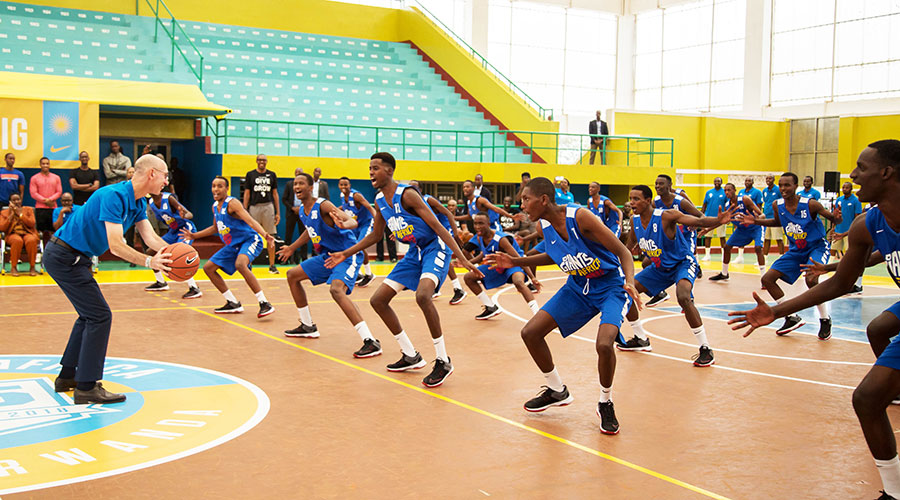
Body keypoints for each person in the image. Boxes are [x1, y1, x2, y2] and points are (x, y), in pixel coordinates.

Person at [726, 140, 900, 500]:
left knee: (878, 334)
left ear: (886, 173)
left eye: (861, 168)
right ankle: (895, 491)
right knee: (867, 396)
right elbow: (840, 283)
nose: (852, 175)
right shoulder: (867, 224)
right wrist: (776, 311)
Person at [484, 177, 639, 435]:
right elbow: (555, 255)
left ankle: (605, 402)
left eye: (526, 199)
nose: (522, 205)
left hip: (611, 285)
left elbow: (623, 251)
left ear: (544, 199)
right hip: (577, 286)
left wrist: (630, 281)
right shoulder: (543, 226)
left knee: (604, 344)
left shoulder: (581, 217)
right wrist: (515, 261)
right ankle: (557, 390)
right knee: (530, 333)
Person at [325, 153, 481, 388]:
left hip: (434, 248)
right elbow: (376, 235)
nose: (371, 172)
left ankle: (443, 360)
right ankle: (410, 355)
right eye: (369, 168)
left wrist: (462, 257)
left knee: (423, 295)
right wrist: (345, 253)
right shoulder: (379, 200)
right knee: (378, 300)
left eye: (375, 168)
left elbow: (437, 226)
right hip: (414, 253)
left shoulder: (407, 194)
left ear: (389, 171)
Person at [45, 154, 172, 404]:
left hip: (74, 257)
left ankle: (68, 377)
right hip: (64, 256)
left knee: (89, 315)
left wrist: (175, 254)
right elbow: (116, 246)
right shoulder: (113, 196)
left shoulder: (137, 202)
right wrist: (150, 262)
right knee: (99, 316)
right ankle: (86, 387)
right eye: (165, 176)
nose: (166, 181)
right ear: (151, 174)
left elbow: (150, 238)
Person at [619, 185, 734, 365]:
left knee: (683, 296)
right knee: (625, 292)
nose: (632, 202)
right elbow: (628, 248)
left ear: (648, 201)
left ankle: (705, 348)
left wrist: (718, 220)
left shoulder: (666, 216)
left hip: (682, 263)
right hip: (659, 268)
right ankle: (640, 338)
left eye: (636, 199)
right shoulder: (635, 221)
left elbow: (698, 221)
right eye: (630, 198)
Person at [276, 173, 383, 358]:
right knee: (292, 275)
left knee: (336, 290)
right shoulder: (302, 210)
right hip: (328, 257)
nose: (297, 187)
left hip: (347, 255)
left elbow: (352, 221)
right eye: (295, 184)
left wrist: (344, 225)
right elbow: (310, 231)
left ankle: (370, 341)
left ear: (311, 188)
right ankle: (307, 326)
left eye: (301, 183)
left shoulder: (323, 205)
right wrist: (292, 247)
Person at [736, 172, 842, 340]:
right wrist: (755, 221)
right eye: (781, 185)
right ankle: (791, 317)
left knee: (811, 280)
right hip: (796, 250)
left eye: (787, 185)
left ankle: (824, 319)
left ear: (795, 186)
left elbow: (834, 219)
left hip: (816, 247)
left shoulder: (811, 204)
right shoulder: (777, 205)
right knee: (767, 279)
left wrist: (837, 218)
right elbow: (777, 222)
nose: (783, 188)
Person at [183, 176, 275, 318]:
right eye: (213, 186)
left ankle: (264, 303)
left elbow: (250, 221)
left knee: (240, 264)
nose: (216, 189)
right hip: (233, 245)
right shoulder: (215, 206)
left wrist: (265, 234)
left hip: (250, 240)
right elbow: (215, 228)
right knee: (208, 268)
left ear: (227, 188)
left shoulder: (232, 203)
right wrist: (194, 235)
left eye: (220, 186)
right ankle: (232, 302)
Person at [462, 211, 539, 319]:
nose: (477, 226)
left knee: (518, 282)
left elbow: (518, 258)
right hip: (497, 265)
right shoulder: (480, 237)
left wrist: (532, 277)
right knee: (468, 277)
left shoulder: (501, 239)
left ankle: (537, 313)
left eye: (481, 223)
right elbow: (483, 254)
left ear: (488, 224)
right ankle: (490, 307)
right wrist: (467, 263)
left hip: (513, 263)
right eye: (475, 223)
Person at [645, 174, 703, 307]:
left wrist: (696, 223)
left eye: (661, 184)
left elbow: (699, 215)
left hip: (685, 236)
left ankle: (689, 298)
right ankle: (660, 293)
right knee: (646, 262)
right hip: (668, 239)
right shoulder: (656, 202)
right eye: (656, 183)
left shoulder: (680, 199)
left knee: (684, 263)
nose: (657, 186)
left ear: (669, 185)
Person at [408, 180, 468, 304]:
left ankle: (458, 289)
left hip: (444, 231)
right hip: (432, 234)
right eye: (409, 187)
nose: (410, 189)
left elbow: (448, 213)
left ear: (420, 190)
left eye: (413, 187)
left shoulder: (428, 200)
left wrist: (455, 234)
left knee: (443, 259)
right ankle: (435, 288)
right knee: (428, 259)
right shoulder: (411, 204)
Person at [143, 191, 201, 298]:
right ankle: (161, 282)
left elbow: (189, 214)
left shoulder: (168, 198)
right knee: (151, 252)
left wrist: (184, 215)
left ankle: (194, 288)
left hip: (185, 229)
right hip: (173, 231)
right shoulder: (151, 202)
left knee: (181, 255)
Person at [705, 183, 766, 281]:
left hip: (756, 228)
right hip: (742, 230)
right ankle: (724, 273)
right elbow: (723, 221)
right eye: (725, 190)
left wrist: (756, 219)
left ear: (735, 190)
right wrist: (708, 229)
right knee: (727, 247)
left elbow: (762, 215)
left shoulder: (745, 199)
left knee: (758, 248)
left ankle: (764, 277)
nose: (727, 192)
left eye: (729, 190)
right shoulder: (727, 205)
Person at [243, 154, 280, 274]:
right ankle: (249, 264)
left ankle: (272, 265)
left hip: (268, 206)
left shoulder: (272, 174)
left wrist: (277, 212)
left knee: (271, 236)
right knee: (251, 236)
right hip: (254, 207)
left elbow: (275, 194)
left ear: (267, 161)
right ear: (256, 161)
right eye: (259, 160)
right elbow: (247, 193)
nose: (261, 162)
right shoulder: (250, 174)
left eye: (263, 160)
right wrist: (244, 210)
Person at [338, 176, 376, 287]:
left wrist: (377, 219)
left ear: (350, 185)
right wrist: (334, 210)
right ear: (339, 186)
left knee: (359, 246)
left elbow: (369, 207)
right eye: (341, 184)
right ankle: (358, 274)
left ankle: (369, 274)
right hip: (355, 225)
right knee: (353, 247)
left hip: (366, 223)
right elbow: (345, 206)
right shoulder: (342, 196)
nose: (343, 186)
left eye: (346, 184)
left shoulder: (356, 195)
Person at [832, 181, 865, 294]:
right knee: (832, 252)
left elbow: (857, 219)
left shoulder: (856, 201)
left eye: (847, 187)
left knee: (850, 256)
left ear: (851, 189)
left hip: (849, 233)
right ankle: (832, 277)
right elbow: (835, 215)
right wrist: (833, 228)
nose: (844, 189)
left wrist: (846, 233)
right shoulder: (839, 199)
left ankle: (855, 283)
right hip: (838, 231)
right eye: (843, 187)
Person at [0, 192, 40, 276]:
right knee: (17, 240)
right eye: (13, 200)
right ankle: (13, 267)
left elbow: (32, 223)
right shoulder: (4, 212)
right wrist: (11, 215)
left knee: (31, 240)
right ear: (10, 202)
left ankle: (32, 267)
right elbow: (2, 228)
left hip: (28, 233)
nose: (16, 202)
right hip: (12, 234)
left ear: (21, 200)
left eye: (18, 199)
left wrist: (20, 214)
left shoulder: (29, 210)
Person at [29, 156, 62, 241]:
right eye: (43, 164)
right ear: (40, 165)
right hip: (40, 208)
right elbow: (33, 193)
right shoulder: (34, 178)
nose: (45, 165)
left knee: (53, 230)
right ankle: (42, 247)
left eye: (47, 164)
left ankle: (52, 247)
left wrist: (50, 200)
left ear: (49, 165)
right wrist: (45, 201)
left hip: (53, 208)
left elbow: (59, 192)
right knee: (40, 231)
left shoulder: (56, 177)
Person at [733, 177, 764, 264]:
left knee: (758, 243)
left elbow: (758, 206)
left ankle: (760, 260)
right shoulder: (741, 192)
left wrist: (757, 217)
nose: (747, 182)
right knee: (740, 239)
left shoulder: (757, 192)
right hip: (743, 219)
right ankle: (740, 256)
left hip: (752, 219)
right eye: (746, 180)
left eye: (749, 181)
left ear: (753, 182)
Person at [281, 167, 309, 264]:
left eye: (300, 173)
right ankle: (285, 259)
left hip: (303, 212)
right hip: (291, 213)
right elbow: (284, 199)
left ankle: (304, 258)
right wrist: (292, 208)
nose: (298, 174)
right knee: (288, 236)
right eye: (297, 172)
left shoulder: (306, 186)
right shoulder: (289, 184)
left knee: (304, 235)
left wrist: (301, 208)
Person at [700, 177, 727, 261]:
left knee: (722, 237)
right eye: (715, 181)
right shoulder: (709, 192)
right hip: (709, 217)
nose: (717, 182)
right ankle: (707, 255)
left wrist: (727, 217)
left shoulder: (725, 192)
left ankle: (724, 255)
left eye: (718, 181)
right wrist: (701, 215)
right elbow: (704, 204)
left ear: (721, 182)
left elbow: (727, 205)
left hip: (720, 218)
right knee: (708, 236)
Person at [761, 174, 785, 258]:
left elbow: (782, 201)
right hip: (767, 218)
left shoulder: (778, 190)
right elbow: (765, 202)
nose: (768, 180)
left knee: (778, 238)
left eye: (770, 178)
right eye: (767, 178)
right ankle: (765, 257)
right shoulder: (764, 191)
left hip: (776, 218)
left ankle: (781, 256)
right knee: (766, 239)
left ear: (774, 180)